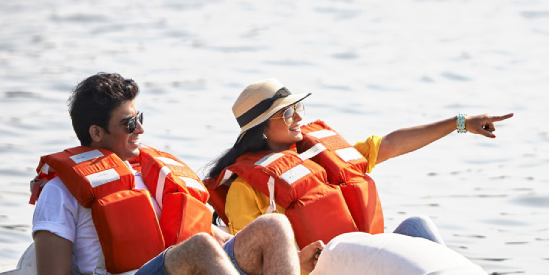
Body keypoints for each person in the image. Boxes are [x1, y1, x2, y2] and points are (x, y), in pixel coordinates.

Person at [29, 73, 332, 275]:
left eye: (139, 118)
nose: (140, 129)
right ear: (96, 133)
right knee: (199, 247)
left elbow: (214, 238)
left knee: (273, 226)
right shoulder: (60, 191)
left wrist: (286, 261)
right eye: (129, 123)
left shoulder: (151, 174)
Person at [204, 78, 513, 248]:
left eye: (298, 107)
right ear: (261, 129)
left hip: (366, 261)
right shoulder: (245, 188)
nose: (298, 116)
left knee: (416, 225)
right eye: (286, 113)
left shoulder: (318, 155)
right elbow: (248, 258)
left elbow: (391, 144)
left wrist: (460, 123)